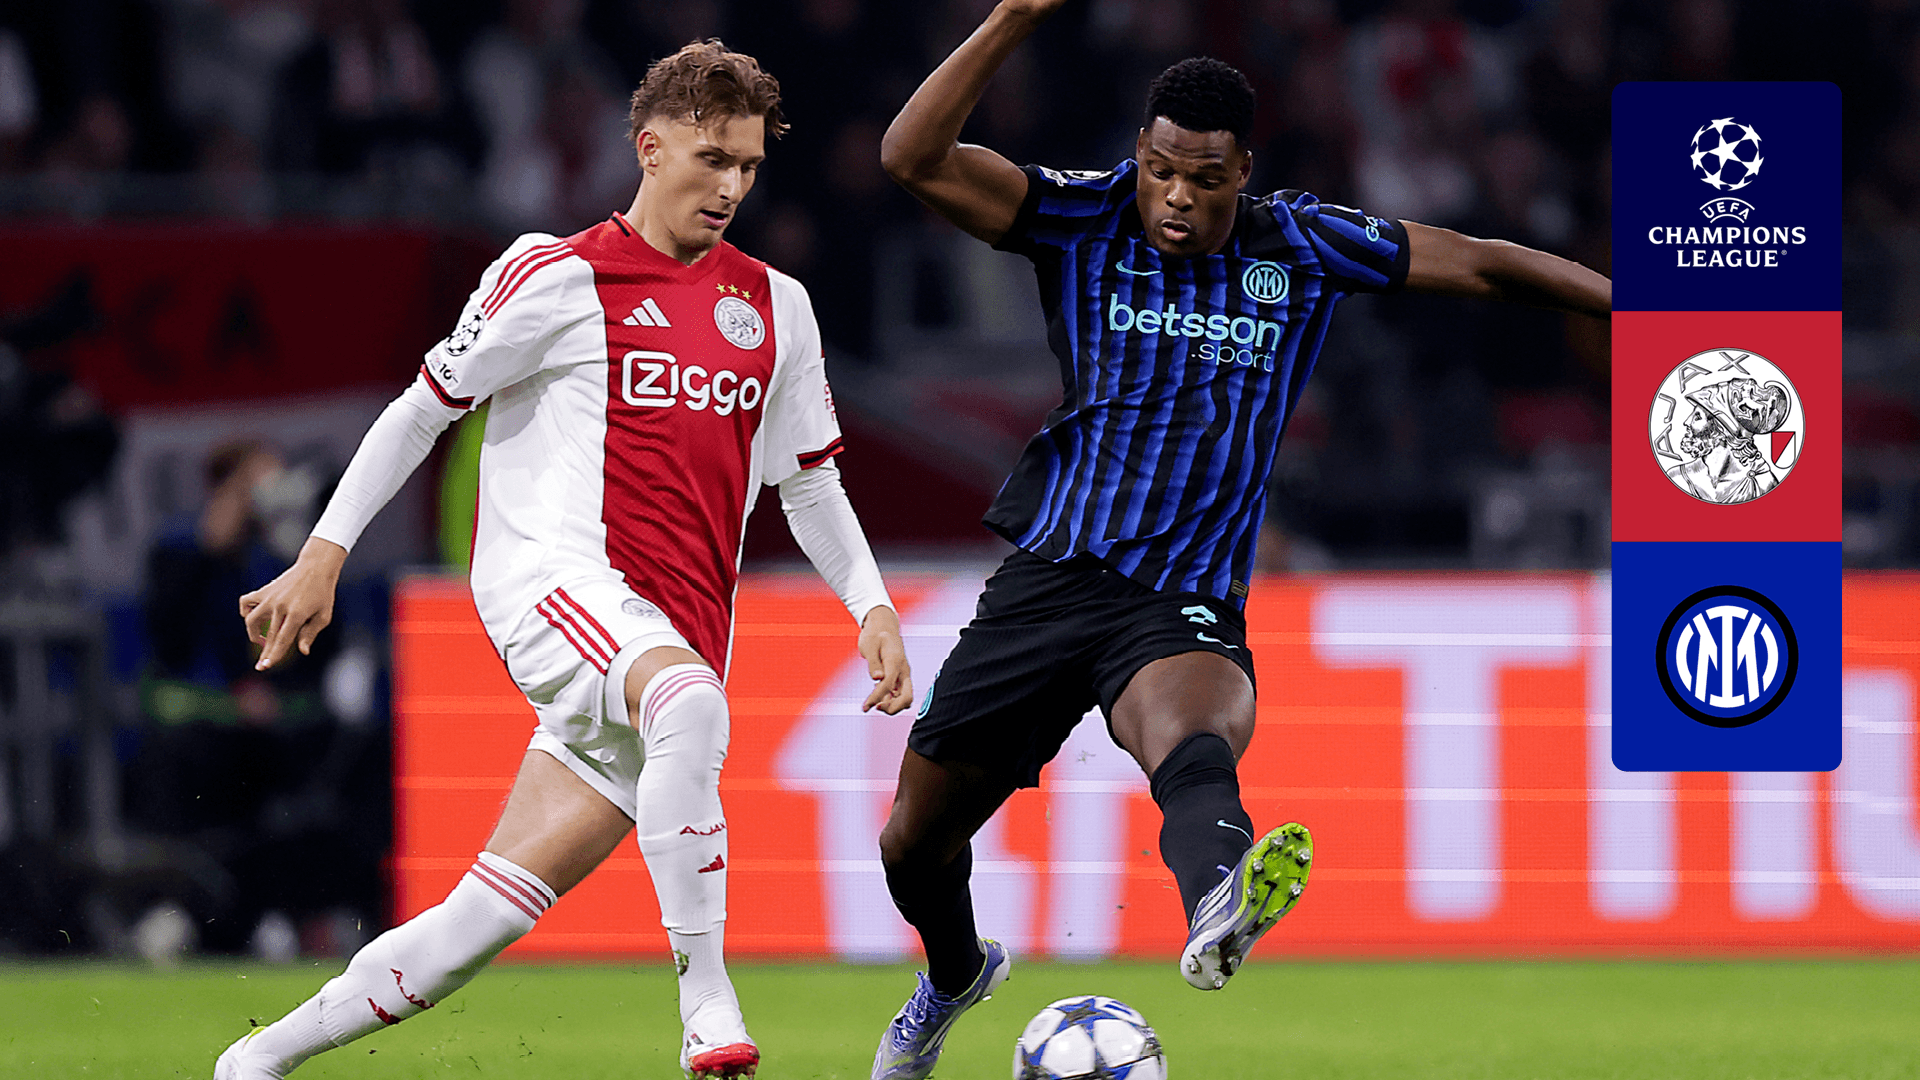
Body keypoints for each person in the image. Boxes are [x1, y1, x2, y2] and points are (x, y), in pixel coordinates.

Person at [868, 3, 1612, 1077]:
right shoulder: (1079, 216)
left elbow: (1486, 262)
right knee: (913, 843)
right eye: (1163, 171)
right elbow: (910, 157)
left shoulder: (1301, 244)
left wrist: (1634, 308)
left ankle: (1220, 897)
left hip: (1182, 598)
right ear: (1140, 154)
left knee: (1192, 744)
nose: (1178, 196)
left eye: (1206, 179)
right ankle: (951, 977)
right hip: (1050, 580)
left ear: (1243, 173)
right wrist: (1015, 16)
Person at [216, 39, 912, 1080]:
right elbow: (421, 410)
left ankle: (257, 1059)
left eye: (749, 166)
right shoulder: (559, 273)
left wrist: (871, 605)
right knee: (689, 704)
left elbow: (808, 484)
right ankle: (706, 1000)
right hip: (551, 585)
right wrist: (324, 553)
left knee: (479, 921)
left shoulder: (777, 307)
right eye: (713, 159)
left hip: (665, 637)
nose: (732, 186)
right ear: (650, 147)